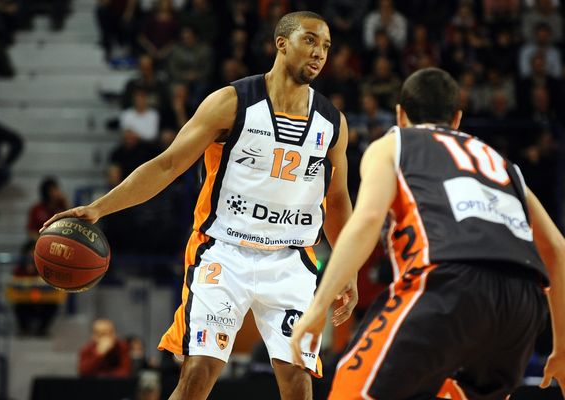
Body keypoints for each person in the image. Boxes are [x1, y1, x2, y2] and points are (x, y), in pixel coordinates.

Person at [43, 11, 357, 399]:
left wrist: (348, 268)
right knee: (198, 374)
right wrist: (99, 208)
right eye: (310, 40)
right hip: (223, 253)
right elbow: (168, 164)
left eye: (326, 45)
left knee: (298, 381)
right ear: (281, 44)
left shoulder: (332, 122)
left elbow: (338, 199)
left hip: (292, 260)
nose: (319, 52)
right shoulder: (231, 102)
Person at [291, 67, 565, 399]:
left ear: (400, 114)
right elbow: (556, 248)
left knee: (352, 388)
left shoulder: (394, 143)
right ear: (458, 118)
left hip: (448, 282)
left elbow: (367, 220)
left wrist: (317, 307)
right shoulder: (500, 163)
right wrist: (561, 347)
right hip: (522, 305)